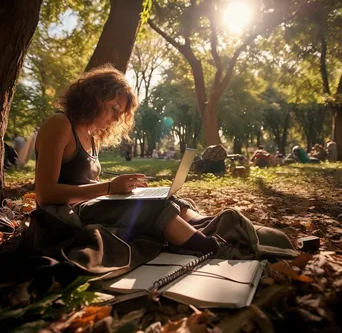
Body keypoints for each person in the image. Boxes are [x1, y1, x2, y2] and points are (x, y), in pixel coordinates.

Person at [34, 65, 233, 258]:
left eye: (119, 114)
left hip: (90, 204)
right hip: (67, 213)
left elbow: (83, 180)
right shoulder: (60, 125)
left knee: (166, 199)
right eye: (114, 109)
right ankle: (212, 248)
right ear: (94, 98)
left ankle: (208, 227)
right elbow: (45, 195)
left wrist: (121, 189)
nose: (115, 118)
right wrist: (109, 188)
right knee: (154, 209)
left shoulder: (90, 134)